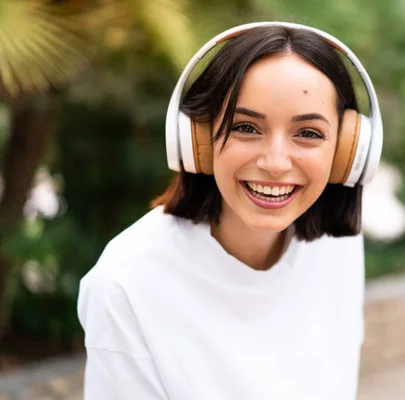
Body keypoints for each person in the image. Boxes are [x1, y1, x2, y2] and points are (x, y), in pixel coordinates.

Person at [77, 21, 382, 400]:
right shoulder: (126, 283)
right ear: (198, 138)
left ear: (347, 151)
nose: (275, 162)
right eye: (246, 127)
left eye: (308, 133)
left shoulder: (337, 247)